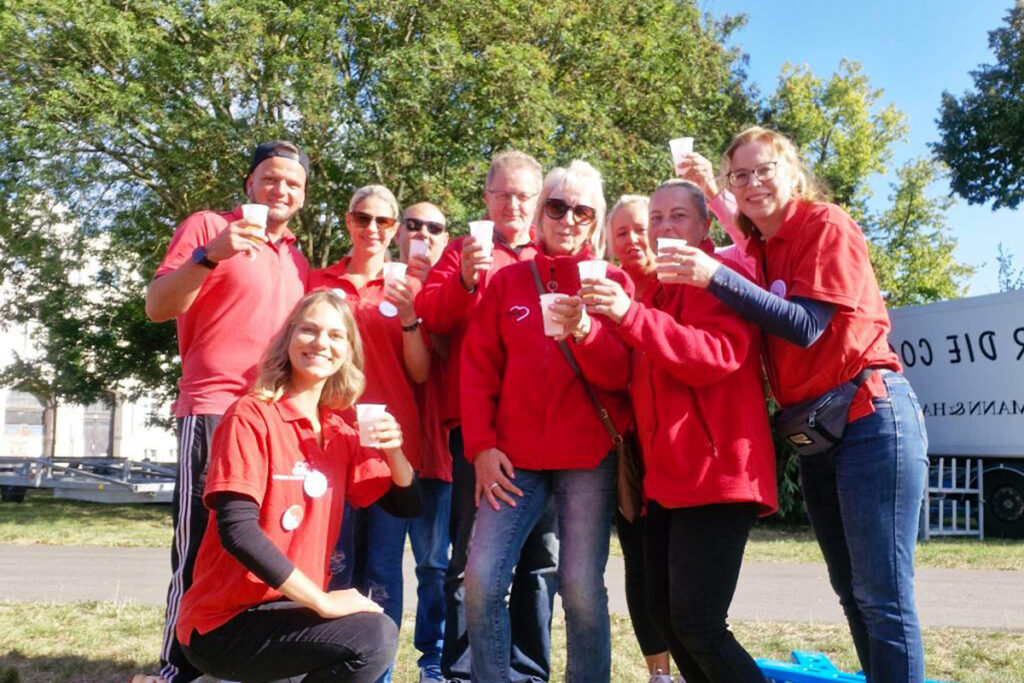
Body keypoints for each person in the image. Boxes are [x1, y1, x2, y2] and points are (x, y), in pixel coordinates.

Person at [670, 127, 930, 682]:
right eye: (740, 175)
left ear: (792, 171)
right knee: (852, 593)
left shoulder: (825, 224)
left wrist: (714, 276)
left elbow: (806, 325)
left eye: (765, 169)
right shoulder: (761, 247)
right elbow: (744, 233)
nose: (754, 182)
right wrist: (711, 193)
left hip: (870, 417)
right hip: (817, 433)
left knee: (881, 595)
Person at [583, 178, 777, 682]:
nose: (664, 227)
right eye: (658, 218)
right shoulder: (658, 293)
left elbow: (713, 357)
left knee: (698, 623)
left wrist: (630, 315)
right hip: (667, 485)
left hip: (717, 475)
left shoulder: (722, 277)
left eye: (678, 216)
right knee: (670, 622)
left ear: (705, 224)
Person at [175, 290, 419, 683]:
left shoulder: (339, 432)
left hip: (285, 612)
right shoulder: (251, 414)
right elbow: (237, 531)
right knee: (372, 636)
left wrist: (394, 451)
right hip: (223, 624)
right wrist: (321, 601)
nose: (321, 343)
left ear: (348, 352)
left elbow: (405, 504)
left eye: (336, 336)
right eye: (309, 330)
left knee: (370, 627)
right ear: (287, 338)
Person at [141, 140, 311, 683]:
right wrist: (210, 254)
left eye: (292, 182)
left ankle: (232, 663)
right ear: (249, 184)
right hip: (213, 409)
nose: (280, 189)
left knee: (259, 550)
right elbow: (157, 305)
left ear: (303, 196)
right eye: (270, 177)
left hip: (271, 421)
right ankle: (176, 669)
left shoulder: (297, 259)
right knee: (198, 548)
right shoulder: (208, 227)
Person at [461, 160, 632, 683]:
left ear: (596, 220)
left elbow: (623, 374)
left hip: (587, 458)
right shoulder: (509, 281)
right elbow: (477, 370)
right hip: (514, 458)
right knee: (482, 581)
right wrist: (482, 447)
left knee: (580, 589)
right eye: (556, 207)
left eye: (582, 210)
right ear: (540, 214)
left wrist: (586, 330)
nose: (568, 218)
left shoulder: (613, 281)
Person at [417, 151, 559, 683]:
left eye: (524, 195)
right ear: (486, 198)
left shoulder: (553, 252)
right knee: (470, 557)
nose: (514, 205)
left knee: (540, 557)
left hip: (546, 431)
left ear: (540, 198)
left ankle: (529, 668)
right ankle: (461, 669)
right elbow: (432, 315)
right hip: (477, 432)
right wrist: (467, 282)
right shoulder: (463, 250)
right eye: (503, 194)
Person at [309, 186, 430, 683]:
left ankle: (375, 672)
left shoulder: (406, 285)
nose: (373, 229)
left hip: (387, 448)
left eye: (384, 221)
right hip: (329, 444)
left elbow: (420, 374)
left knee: (382, 570)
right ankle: (329, 667)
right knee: (332, 564)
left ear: (396, 228)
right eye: (363, 218)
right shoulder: (319, 281)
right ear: (348, 221)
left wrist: (407, 315)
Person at [356, 201, 453, 683]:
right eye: (412, 224)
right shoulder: (379, 291)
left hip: (448, 448)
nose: (422, 234)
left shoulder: (457, 285)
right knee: (380, 563)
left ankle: (433, 658)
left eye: (434, 227)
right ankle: (370, 661)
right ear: (397, 234)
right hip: (397, 449)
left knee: (436, 566)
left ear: (446, 236)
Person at [602, 195, 671, 681]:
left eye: (640, 228)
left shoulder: (676, 283)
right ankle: (659, 672)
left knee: (675, 565)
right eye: (621, 232)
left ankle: (685, 660)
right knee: (639, 562)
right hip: (627, 445)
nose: (632, 240)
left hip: (675, 444)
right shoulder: (603, 286)